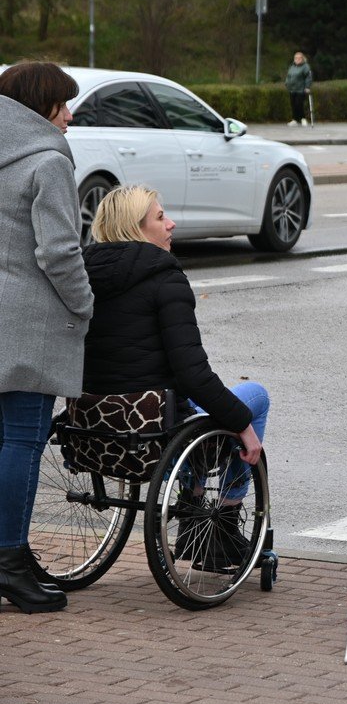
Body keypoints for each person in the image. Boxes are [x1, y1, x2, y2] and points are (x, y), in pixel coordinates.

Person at [82, 186, 267, 566]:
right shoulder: (165, 279)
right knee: (253, 398)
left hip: (94, 424)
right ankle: (222, 520)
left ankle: (194, 498)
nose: (171, 223)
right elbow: (192, 374)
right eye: (160, 217)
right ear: (137, 229)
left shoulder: (81, 276)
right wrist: (242, 424)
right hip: (153, 428)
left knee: (197, 402)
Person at [0, 61, 94, 614]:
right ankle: (9, 560)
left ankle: (13, 552)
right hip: (31, 325)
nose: (69, 115)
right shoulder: (47, 161)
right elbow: (59, 251)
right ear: (41, 107)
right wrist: (84, 306)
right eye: (62, 104)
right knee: (23, 440)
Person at [285, 51, 313, 126]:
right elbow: (288, 76)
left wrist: (307, 87)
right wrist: (287, 83)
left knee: (299, 104)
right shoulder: (292, 66)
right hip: (292, 89)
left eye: (299, 58)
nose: (297, 59)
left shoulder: (305, 67)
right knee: (293, 104)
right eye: (296, 58)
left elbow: (308, 77)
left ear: (302, 59)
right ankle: (295, 119)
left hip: (301, 89)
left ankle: (303, 118)